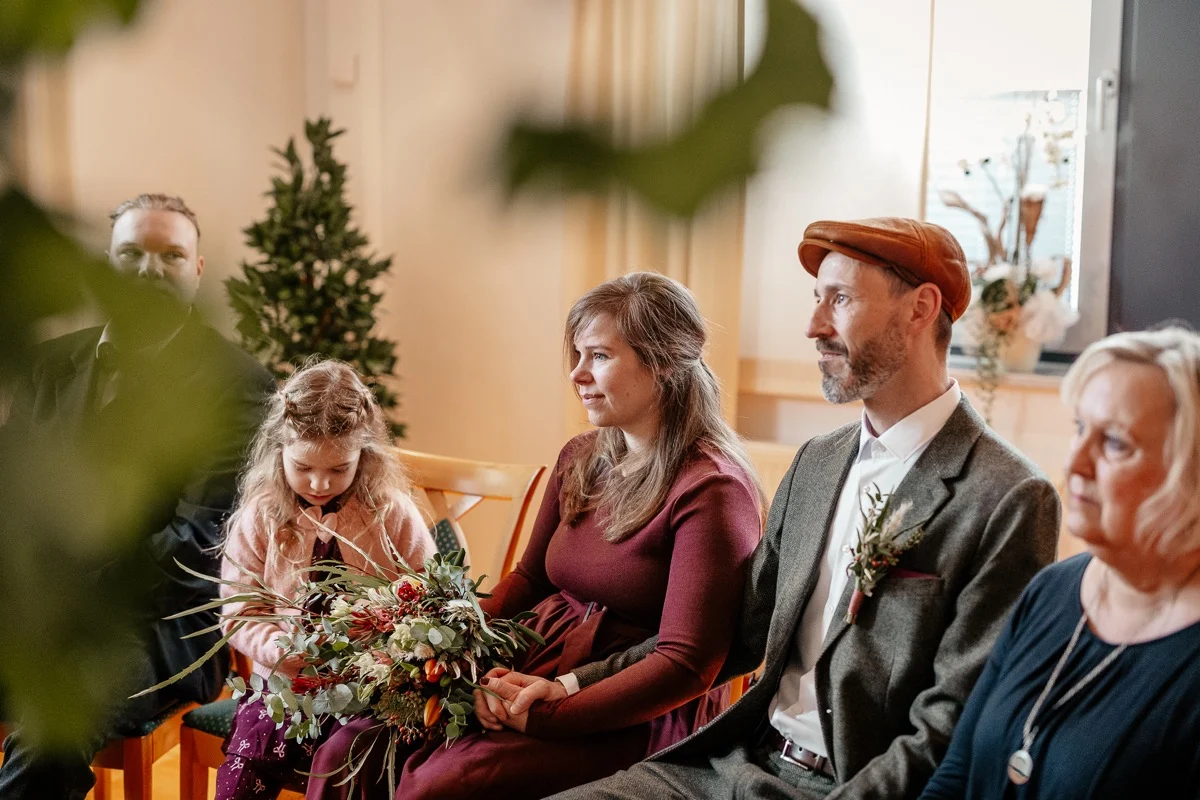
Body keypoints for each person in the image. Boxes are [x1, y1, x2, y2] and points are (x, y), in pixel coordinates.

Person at [546, 217, 1062, 799]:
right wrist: (570, 686)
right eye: (817, 300)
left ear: (920, 308)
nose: (814, 326)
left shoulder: (1009, 496)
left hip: (850, 787)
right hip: (734, 763)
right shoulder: (817, 462)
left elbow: (951, 730)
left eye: (840, 299)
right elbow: (731, 635)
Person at [305, 271, 765, 799]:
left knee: (442, 784)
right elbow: (529, 579)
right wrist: (453, 655)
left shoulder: (711, 489)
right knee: (349, 750)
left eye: (599, 356)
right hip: (530, 665)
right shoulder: (581, 456)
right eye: (578, 354)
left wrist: (552, 713)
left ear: (662, 362)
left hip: (632, 707)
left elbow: (686, 665)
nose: (577, 373)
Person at [0, 193, 275, 799]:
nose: (150, 270)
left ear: (196, 270)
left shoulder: (239, 387)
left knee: (51, 730)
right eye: (132, 254)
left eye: (171, 255)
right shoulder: (47, 365)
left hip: (162, 626)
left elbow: (198, 544)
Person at [921, 327, 1200, 798]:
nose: (1076, 464)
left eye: (1116, 443)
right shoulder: (1050, 590)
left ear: (1189, 471)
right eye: (1080, 428)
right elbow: (957, 772)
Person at [215, 359, 435, 798]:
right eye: (303, 467)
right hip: (282, 687)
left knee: (351, 759)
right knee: (249, 761)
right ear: (280, 449)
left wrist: (384, 643)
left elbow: (429, 598)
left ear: (363, 456)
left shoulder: (390, 512)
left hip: (370, 689)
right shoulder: (262, 514)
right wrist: (279, 650)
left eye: (338, 469)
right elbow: (239, 612)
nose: (319, 483)